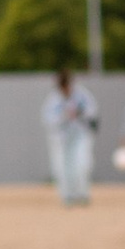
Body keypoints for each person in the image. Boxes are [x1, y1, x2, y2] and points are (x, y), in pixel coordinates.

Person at [41, 69, 97, 207]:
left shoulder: (82, 95)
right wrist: (63, 116)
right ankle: (67, 195)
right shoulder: (53, 100)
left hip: (80, 135)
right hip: (61, 138)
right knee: (61, 167)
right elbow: (48, 120)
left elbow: (92, 112)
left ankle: (82, 194)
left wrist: (79, 113)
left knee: (82, 163)